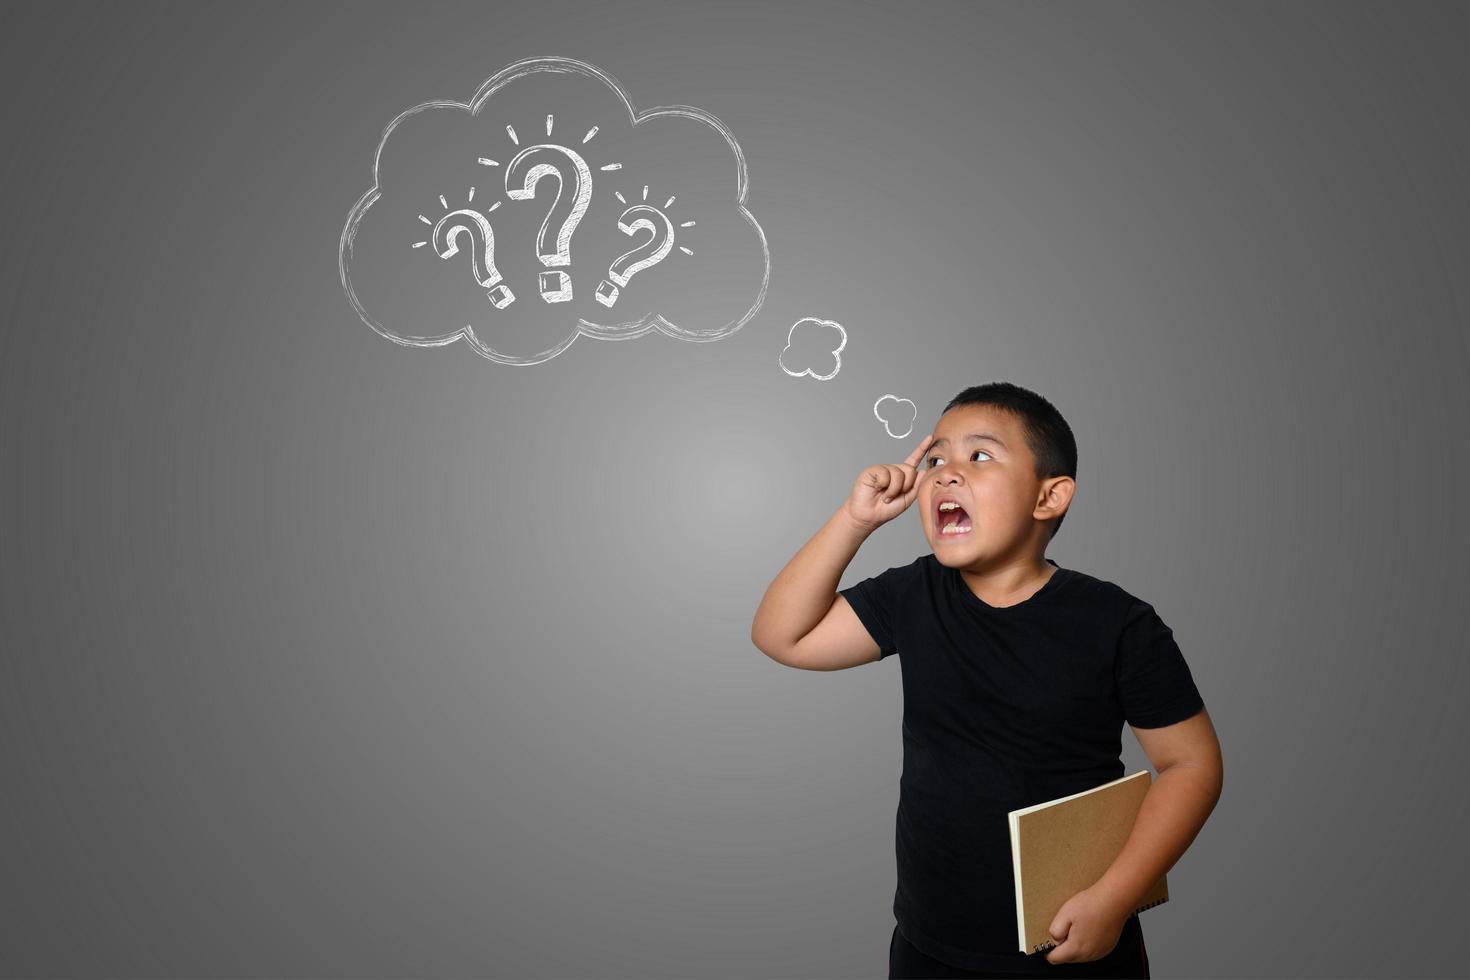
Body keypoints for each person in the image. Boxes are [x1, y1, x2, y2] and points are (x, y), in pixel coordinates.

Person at [751, 382, 1224, 978]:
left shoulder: (1119, 622)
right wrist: (854, 521)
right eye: (935, 458)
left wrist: (1116, 898)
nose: (946, 473)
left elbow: (1192, 766)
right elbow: (782, 636)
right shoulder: (913, 594)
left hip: (1074, 938)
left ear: (1049, 496)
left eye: (979, 456)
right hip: (929, 944)